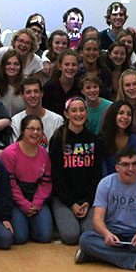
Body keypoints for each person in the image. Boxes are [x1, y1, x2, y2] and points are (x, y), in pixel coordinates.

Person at [76, 148, 136, 272]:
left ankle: (96, 255)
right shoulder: (105, 184)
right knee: (85, 239)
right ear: (117, 167)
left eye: (134, 164)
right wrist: (106, 234)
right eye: (125, 165)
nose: (131, 169)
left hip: (133, 235)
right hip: (111, 233)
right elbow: (97, 219)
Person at [49, 97, 103, 244]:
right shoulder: (58, 139)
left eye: (81, 110)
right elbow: (56, 175)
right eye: (74, 110)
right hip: (64, 198)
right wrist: (72, 204)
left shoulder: (95, 140)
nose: (78, 114)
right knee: (71, 236)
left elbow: (97, 175)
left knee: (90, 234)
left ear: (86, 112)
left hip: (88, 199)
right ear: (66, 114)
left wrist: (87, 201)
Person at [1, 116, 54, 244]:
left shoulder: (44, 154)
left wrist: (36, 203)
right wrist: (24, 204)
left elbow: (46, 183)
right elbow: (10, 184)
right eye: (31, 129)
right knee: (19, 238)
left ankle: (31, 224)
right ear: (23, 131)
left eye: (38, 129)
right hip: (15, 200)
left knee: (45, 236)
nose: (35, 133)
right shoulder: (9, 153)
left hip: (36, 199)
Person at [10, 77, 65, 148]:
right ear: (22, 95)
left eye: (36, 91)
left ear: (42, 93)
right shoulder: (16, 121)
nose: (33, 95)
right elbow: (16, 149)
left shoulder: (57, 120)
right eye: (28, 92)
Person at [100, 101, 136, 176]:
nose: (125, 117)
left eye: (129, 114)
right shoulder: (102, 139)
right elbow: (103, 170)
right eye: (121, 113)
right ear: (113, 115)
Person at [43, 50, 83, 114]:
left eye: (74, 64)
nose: (70, 67)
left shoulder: (81, 88)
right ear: (60, 66)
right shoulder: (48, 87)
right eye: (67, 64)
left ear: (78, 67)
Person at [0, 49, 25, 116]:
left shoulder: (26, 85)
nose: (12, 67)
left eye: (16, 64)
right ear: (3, 65)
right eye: (8, 64)